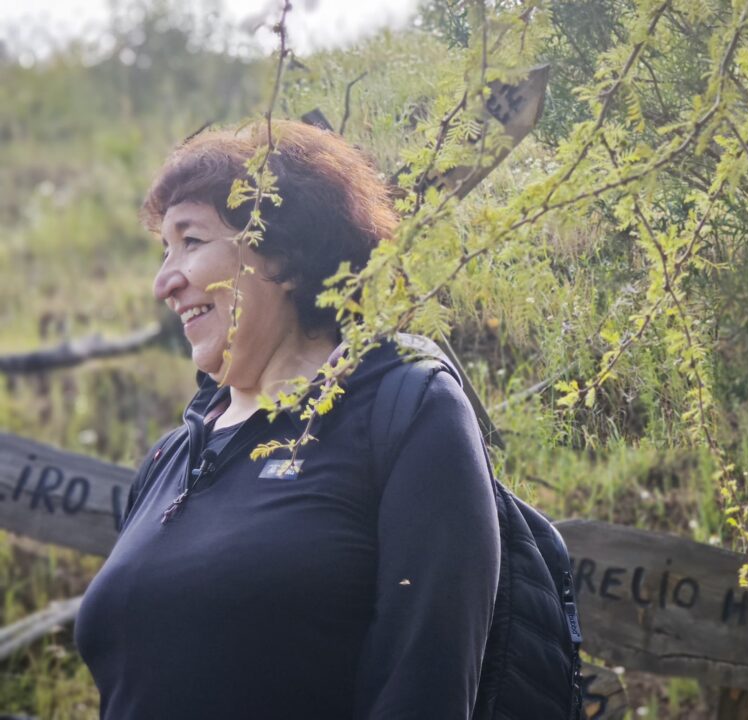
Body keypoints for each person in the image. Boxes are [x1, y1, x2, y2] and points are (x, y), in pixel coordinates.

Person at [74, 120, 502, 719]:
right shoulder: (171, 458)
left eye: (191, 241)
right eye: (163, 250)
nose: (163, 283)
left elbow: (424, 686)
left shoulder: (407, 412)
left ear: (287, 256)